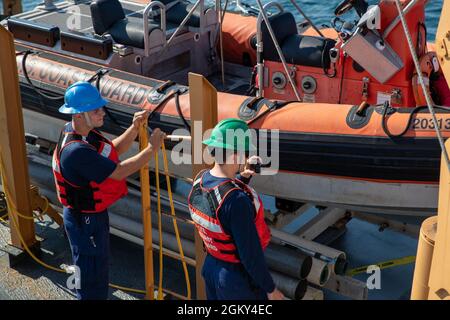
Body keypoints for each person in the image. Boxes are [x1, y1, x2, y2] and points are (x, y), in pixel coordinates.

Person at [52, 81, 165, 300]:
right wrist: (152, 148)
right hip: (84, 221)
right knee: (90, 277)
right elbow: (118, 171)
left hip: (91, 217)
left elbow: (112, 150)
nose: (102, 112)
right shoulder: (75, 151)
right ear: (78, 115)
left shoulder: (82, 133)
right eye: (96, 110)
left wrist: (134, 128)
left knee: (98, 270)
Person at [188, 118, 284, 300]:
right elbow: (250, 255)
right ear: (234, 155)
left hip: (211, 268)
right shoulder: (237, 200)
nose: (247, 157)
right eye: (244, 153)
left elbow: (218, 204)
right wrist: (270, 289)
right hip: (236, 280)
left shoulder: (200, 180)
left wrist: (243, 178)